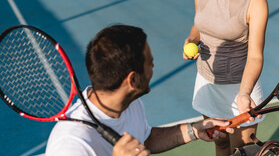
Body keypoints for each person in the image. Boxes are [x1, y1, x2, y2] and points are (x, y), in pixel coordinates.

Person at [46, 24, 233, 156]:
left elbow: (145, 139)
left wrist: (193, 130)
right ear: (133, 80)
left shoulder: (129, 102)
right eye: (150, 63)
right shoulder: (71, 144)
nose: (154, 66)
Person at [183, 0, 269, 156]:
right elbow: (199, 25)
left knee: (241, 151)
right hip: (207, 82)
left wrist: (244, 93)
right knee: (220, 144)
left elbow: (255, 56)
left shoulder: (256, 2)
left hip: (241, 88)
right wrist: (192, 39)